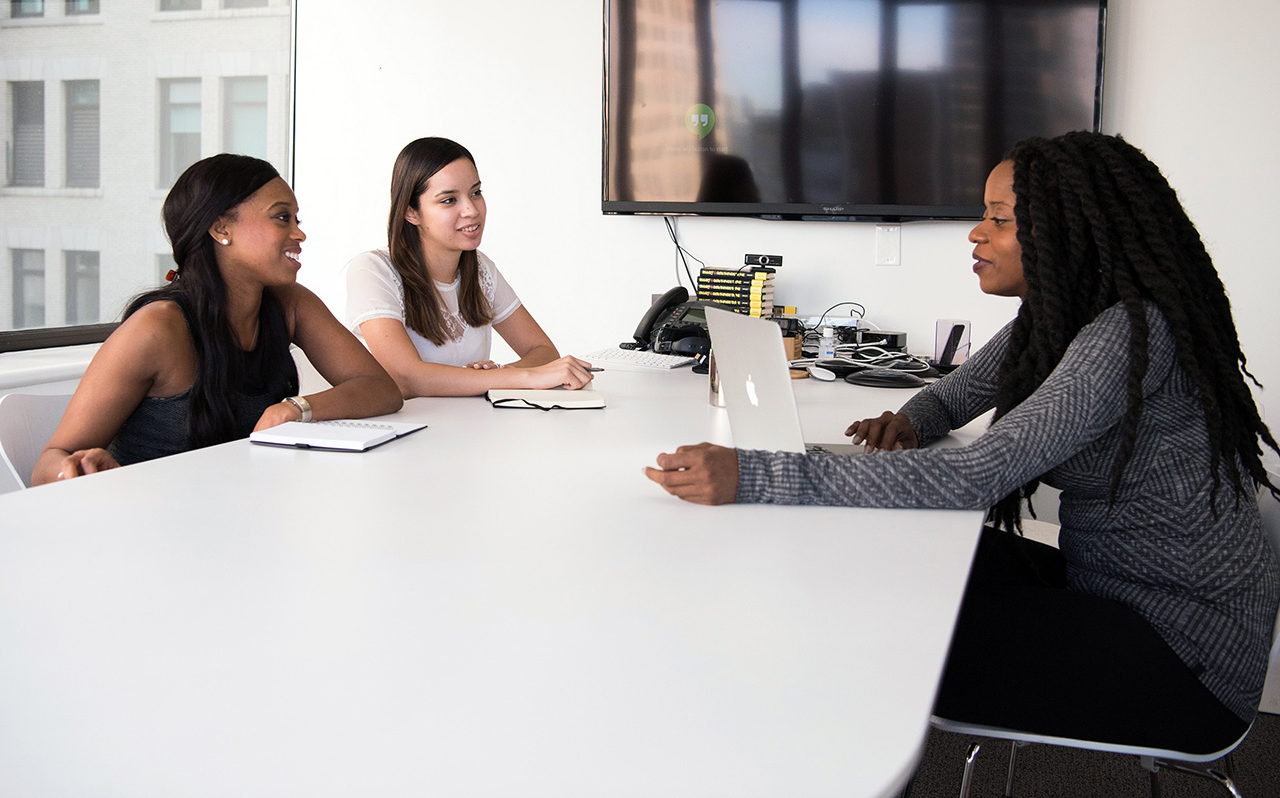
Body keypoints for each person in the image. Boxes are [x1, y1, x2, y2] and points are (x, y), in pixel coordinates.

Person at [646, 131, 1280, 752]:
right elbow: (955, 394)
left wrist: (756, 475)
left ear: (1069, 233)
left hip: (1181, 655)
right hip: (1111, 588)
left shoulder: (1127, 334)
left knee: (873, 637)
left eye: (999, 219)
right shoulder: (1058, 321)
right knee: (896, 562)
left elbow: (977, 475)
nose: (975, 233)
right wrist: (914, 420)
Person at [33, 155, 403, 485]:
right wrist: (75, 469)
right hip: (153, 529)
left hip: (241, 512)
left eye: (296, 219)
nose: (299, 233)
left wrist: (295, 408)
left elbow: (380, 389)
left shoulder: (290, 304)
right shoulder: (158, 329)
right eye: (281, 217)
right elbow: (49, 465)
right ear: (221, 228)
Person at [345, 136, 594, 396]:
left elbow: (543, 352)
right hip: (404, 432)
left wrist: (499, 374)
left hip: (469, 428)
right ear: (411, 212)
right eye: (449, 200)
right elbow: (407, 377)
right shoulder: (373, 270)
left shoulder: (480, 269)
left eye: (475, 193)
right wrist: (515, 377)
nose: (471, 210)